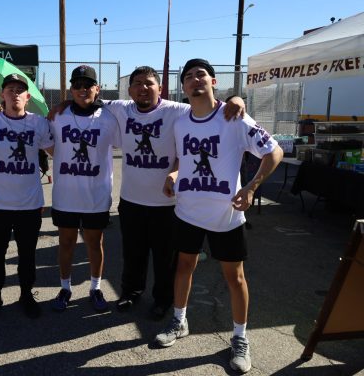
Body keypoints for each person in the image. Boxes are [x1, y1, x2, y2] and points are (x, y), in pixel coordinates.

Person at [48, 66, 245, 319]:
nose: (143, 88)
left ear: (159, 87)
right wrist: (63, 102)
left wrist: (235, 100)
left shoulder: (178, 111)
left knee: (165, 259)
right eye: (137, 83)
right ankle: (130, 293)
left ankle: (163, 300)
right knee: (133, 254)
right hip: (131, 199)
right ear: (129, 90)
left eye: (149, 83)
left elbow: (209, 106)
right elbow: (87, 97)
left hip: (167, 202)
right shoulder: (119, 108)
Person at [155, 58, 283, 374]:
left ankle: (239, 338)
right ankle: (179, 320)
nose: (195, 80)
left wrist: (252, 187)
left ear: (213, 82)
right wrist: (174, 174)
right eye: (189, 77)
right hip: (187, 211)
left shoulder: (233, 116)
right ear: (182, 87)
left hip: (225, 215)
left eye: (202, 75)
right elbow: (184, 158)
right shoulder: (181, 121)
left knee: (234, 277)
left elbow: (274, 151)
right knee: (184, 266)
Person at [0, 74, 54, 322]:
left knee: (28, 254)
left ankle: (26, 294)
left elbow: (54, 150)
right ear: (2, 95)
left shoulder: (39, 123)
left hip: (29, 204)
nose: (15, 94)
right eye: (10, 89)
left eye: (20, 90)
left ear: (28, 97)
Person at [49, 65, 120, 313]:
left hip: (96, 196)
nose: (82, 89)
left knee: (94, 243)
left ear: (97, 88)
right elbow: (46, 143)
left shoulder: (109, 117)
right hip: (65, 195)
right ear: (70, 89)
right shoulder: (58, 116)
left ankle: (95, 287)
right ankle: (65, 287)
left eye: (87, 85)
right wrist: (61, 104)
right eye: (77, 86)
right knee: (66, 242)